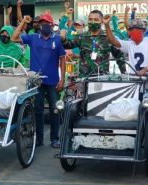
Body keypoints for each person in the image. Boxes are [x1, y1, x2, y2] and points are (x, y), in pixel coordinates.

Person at [105, 17, 148, 140]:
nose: (135, 32)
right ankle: (140, 143)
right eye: (132, 29)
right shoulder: (130, 44)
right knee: (137, 117)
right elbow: (113, 41)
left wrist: (146, 69)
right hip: (138, 88)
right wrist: (107, 25)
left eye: (138, 29)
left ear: (144, 31)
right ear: (129, 32)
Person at [12, 13, 66, 148]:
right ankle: (39, 139)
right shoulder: (33, 38)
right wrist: (24, 21)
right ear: (38, 25)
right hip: (37, 81)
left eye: (46, 23)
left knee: (55, 110)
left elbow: (63, 59)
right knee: (38, 111)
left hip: (53, 81)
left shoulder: (57, 40)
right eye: (41, 23)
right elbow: (14, 38)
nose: (44, 25)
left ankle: (55, 138)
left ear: (52, 25)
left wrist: (62, 79)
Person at [61, 10, 124, 77]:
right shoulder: (81, 37)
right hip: (84, 79)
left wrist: (124, 73)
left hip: (101, 79)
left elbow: (119, 56)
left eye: (96, 19)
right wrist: (63, 38)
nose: (93, 22)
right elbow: (68, 45)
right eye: (90, 19)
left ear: (102, 21)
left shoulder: (108, 38)